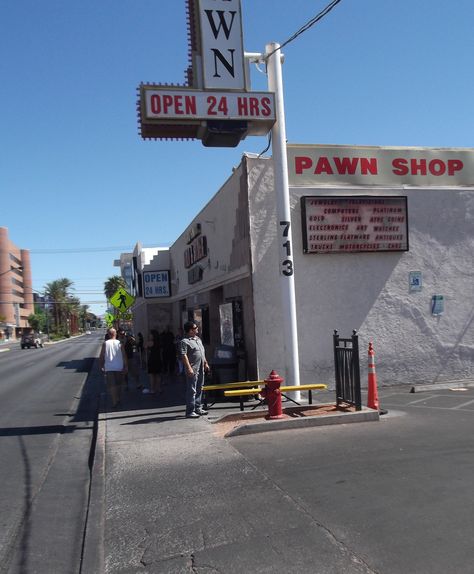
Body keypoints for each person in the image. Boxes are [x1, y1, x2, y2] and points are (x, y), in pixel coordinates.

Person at [180, 321, 210, 418]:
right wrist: (188, 368)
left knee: (199, 388)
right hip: (193, 368)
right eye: (195, 327)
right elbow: (183, 355)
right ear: (190, 330)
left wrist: (205, 363)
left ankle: (198, 408)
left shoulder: (198, 339)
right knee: (192, 390)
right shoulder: (184, 341)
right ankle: (190, 411)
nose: (197, 329)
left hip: (200, 368)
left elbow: (202, 352)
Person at [99, 327, 128, 408]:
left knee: (112, 385)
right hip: (119, 367)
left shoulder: (105, 343)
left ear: (108, 334)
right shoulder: (120, 343)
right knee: (119, 384)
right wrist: (126, 366)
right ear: (115, 334)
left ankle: (114, 401)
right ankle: (118, 399)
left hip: (109, 367)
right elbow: (124, 355)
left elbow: (101, 356)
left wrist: (101, 366)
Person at [144, 329, 162, 395]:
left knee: (152, 375)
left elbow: (145, 347)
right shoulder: (159, 341)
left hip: (152, 359)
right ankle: (159, 388)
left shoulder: (150, 342)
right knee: (158, 375)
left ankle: (152, 389)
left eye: (150, 334)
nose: (149, 335)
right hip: (158, 359)